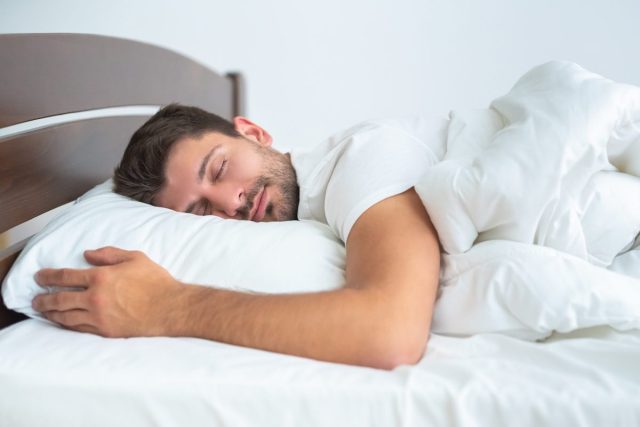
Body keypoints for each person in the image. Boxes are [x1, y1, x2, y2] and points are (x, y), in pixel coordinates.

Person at [31, 104, 443, 370]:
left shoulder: (361, 159)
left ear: (254, 132)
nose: (231, 203)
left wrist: (167, 306)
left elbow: (390, 332)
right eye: (199, 210)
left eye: (220, 169)